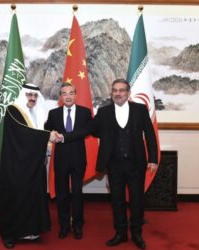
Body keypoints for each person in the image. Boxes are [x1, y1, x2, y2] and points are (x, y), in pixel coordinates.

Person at [59, 79, 158, 249]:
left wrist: (153, 159)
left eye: (121, 90)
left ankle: (136, 233)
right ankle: (120, 233)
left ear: (128, 93)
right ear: (111, 93)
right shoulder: (103, 112)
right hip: (114, 165)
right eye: (115, 90)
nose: (118, 93)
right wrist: (64, 137)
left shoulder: (140, 110)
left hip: (136, 164)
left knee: (136, 200)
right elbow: (88, 130)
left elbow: (150, 135)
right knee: (117, 200)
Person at [0, 83, 55, 249]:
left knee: (33, 197)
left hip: (33, 164)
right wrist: (47, 136)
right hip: (15, 166)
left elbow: (35, 134)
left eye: (35, 95)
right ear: (23, 95)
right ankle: (10, 234)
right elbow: (23, 133)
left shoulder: (35, 114)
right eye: (29, 95)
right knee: (15, 198)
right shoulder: (13, 110)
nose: (32, 98)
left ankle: (31, 232)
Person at [44, 83, 92, 240]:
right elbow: (46, 130)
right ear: (61, 96)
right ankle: (64, 226)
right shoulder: (54, 113)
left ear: (76, 95)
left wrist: (64, 137)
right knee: (62, 195)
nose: (68, 96)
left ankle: (78, 226)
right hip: (61, 160)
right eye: (65, 93)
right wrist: (50, 134)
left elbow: (86, 131)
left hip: (78, 159)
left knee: (77, 194)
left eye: (71, 93)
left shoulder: (85, 113)